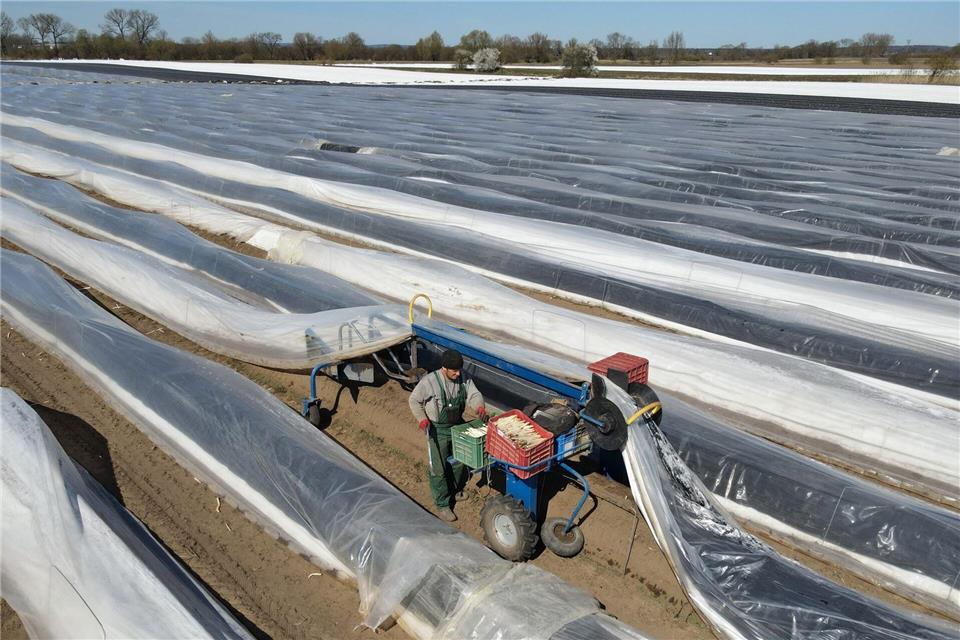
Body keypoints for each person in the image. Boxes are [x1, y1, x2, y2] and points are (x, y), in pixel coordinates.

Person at [408, 349, 487, 522]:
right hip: (437, 429)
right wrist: (422, 420)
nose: (458, 373)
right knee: (439, 468)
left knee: (459, 460)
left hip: (456, 425)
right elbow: (414, 400)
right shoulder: (430, 382)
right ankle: (443, 503)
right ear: (444, 368)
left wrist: (479, 406)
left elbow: (473, 394)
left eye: (459, 370)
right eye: (454, 371)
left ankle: (455, 490)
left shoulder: (462, 377)